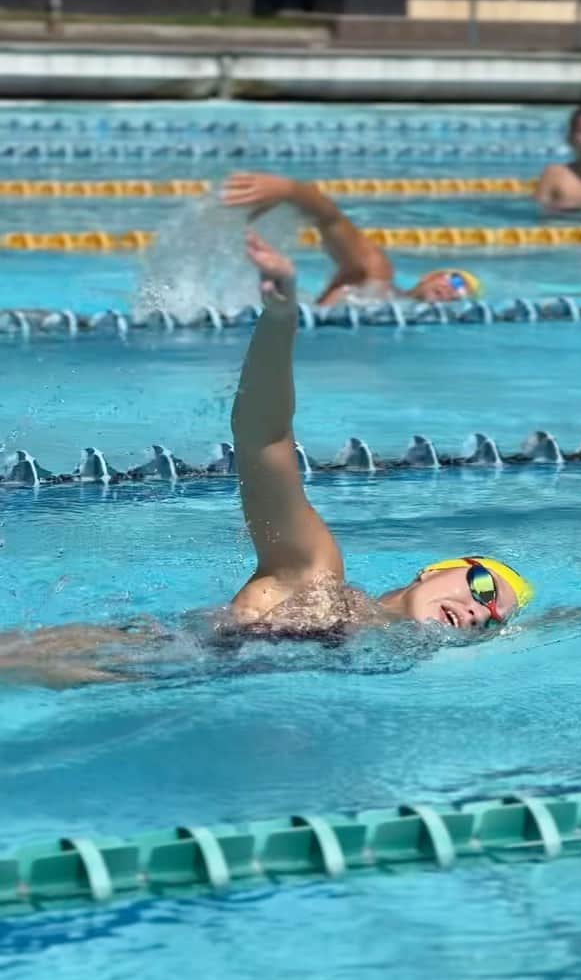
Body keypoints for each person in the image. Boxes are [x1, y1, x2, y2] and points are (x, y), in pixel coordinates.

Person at [0, 233, 532, 688]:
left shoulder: (381, 655)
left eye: (491, 623)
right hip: (62, 662)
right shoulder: (316, 580)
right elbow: (263, 439)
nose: (479, 612)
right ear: (434, 570)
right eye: (483, 588)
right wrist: (280, 318)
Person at [220, 171, 483, 306]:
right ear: (430, 276)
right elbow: (331, 219)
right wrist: (291, 190)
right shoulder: (375, 276)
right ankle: (283, 280)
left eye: (462, 294)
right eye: (456, 279)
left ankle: (281, 281)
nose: (453, 290)